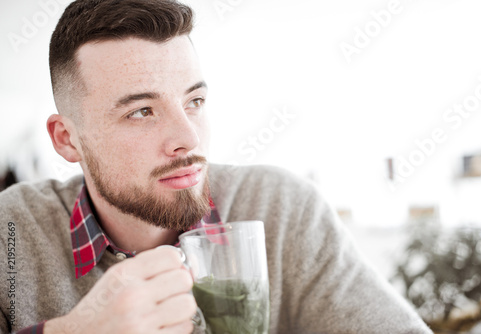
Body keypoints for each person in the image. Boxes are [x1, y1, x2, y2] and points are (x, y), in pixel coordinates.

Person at [0, 0, 432, 333]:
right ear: (66, 139)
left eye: (195, 102)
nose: (188, 138)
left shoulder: (282, 210)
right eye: (141, 112)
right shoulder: (10, 234)